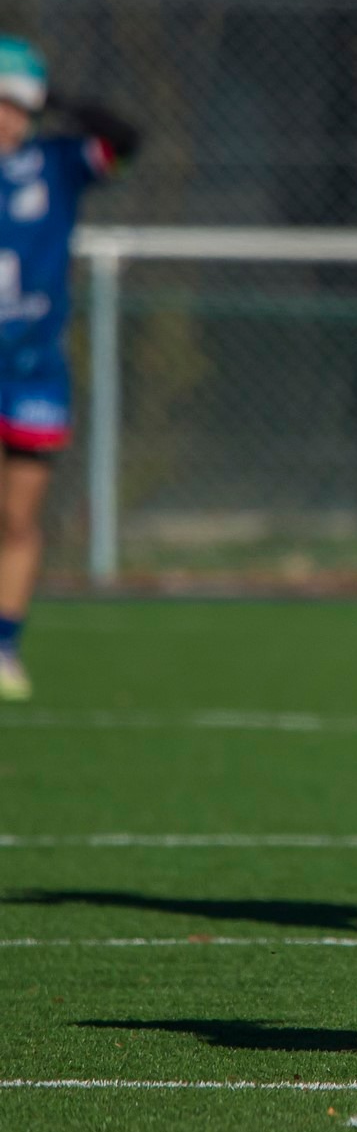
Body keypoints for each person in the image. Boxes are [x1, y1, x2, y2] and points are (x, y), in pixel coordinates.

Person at [0, 36, 139, 702]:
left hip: (30, 371)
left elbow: (127, 136)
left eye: (17, 106)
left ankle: (5, 646)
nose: (9, 118)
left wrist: (51, 98)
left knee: (17, 516)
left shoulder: (54, 163)